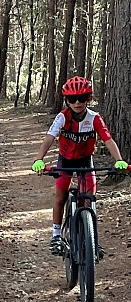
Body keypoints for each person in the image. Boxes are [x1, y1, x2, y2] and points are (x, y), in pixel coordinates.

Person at [31, 76, 128, 257]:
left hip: (85, 161)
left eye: (82, 98)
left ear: (88, 99)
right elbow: (49, 138)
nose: (77, 103)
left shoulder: (94, 118)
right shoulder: (62, 117)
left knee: (90, 199)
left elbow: (108, 140)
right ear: (66, 101)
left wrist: (119, 160)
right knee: (61, 196)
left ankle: (92, 240)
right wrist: (39, 159)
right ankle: (57, 234)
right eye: (72, 99)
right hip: (65, 161)